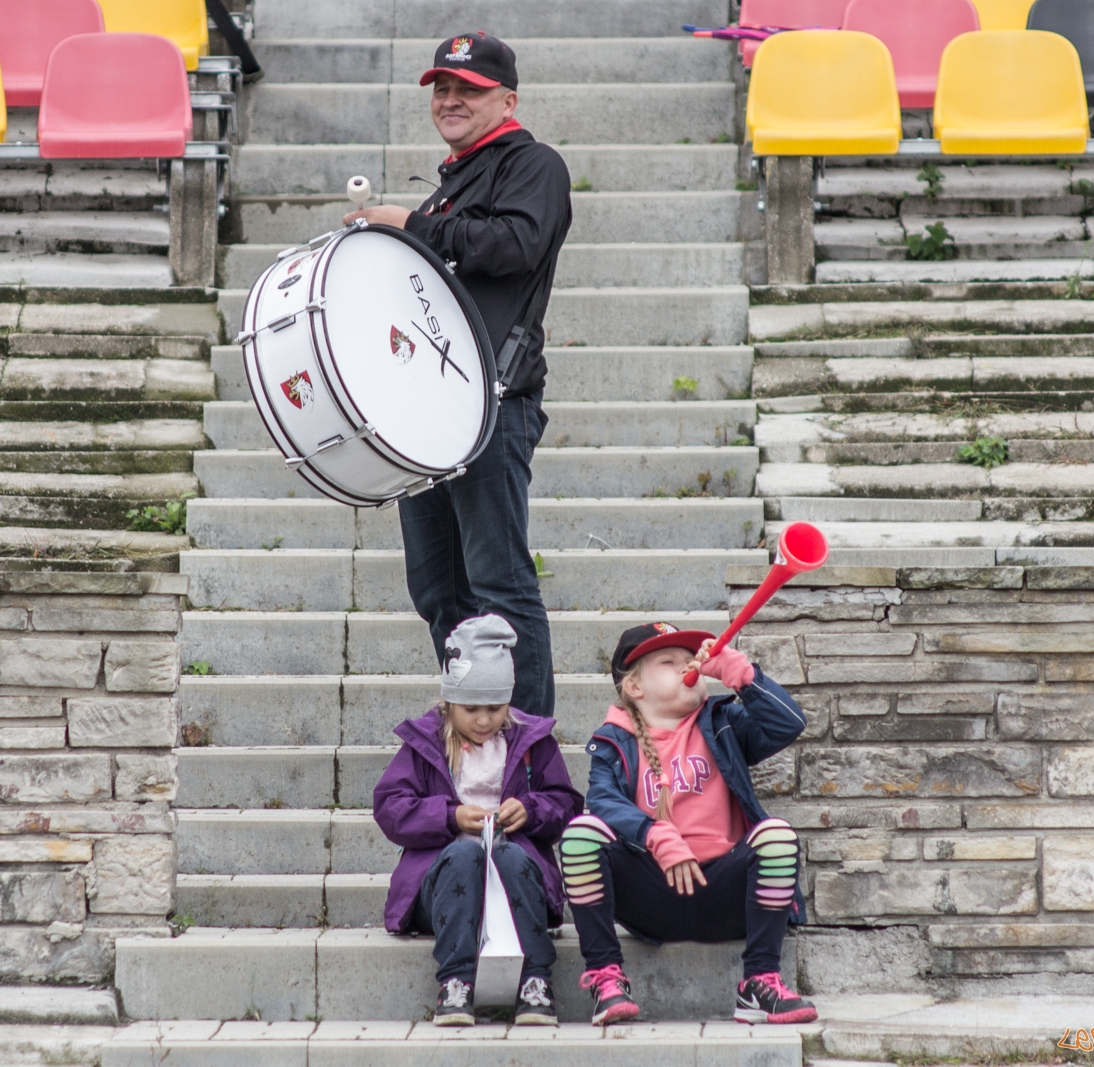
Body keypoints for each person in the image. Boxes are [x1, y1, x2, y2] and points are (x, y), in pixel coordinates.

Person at [343, 32, 571, 720]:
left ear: (507, 99)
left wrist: (411, 224)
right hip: (428, 413)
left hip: (493, 406)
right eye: (441, 89)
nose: (450, 100)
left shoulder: (535, 164)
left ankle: (528, 757)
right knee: (438, 590)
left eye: (467, 90)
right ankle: (474, 734)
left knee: (500, 583)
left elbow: (515, 245)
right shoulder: (453, 182)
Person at [560, 623, 819, 1026]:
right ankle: (606, 978)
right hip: (651, 894)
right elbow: (602, 801)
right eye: (669, 662)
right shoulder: (613, 742)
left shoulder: (724, 721)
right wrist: (657, 834)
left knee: (778, 836)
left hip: (723, 893)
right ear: (634, 687)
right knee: (580, 834)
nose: (688, 666)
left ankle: (759, 982)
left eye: (691, 658)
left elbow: (788, 725)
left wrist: (741, 673)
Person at [371, 614, 583, 1027]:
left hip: (514, 872)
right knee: (464, 856)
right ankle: (456, 982)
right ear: (449, 701)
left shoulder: (531, 743)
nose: (484, 720)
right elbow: (391, 806)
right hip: (443, 878)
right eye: (471, 709)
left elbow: (565, 803)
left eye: (495, 707)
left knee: (512, 860)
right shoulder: (426, 743)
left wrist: (532, 811)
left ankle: (535, 980)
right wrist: (450, 818)